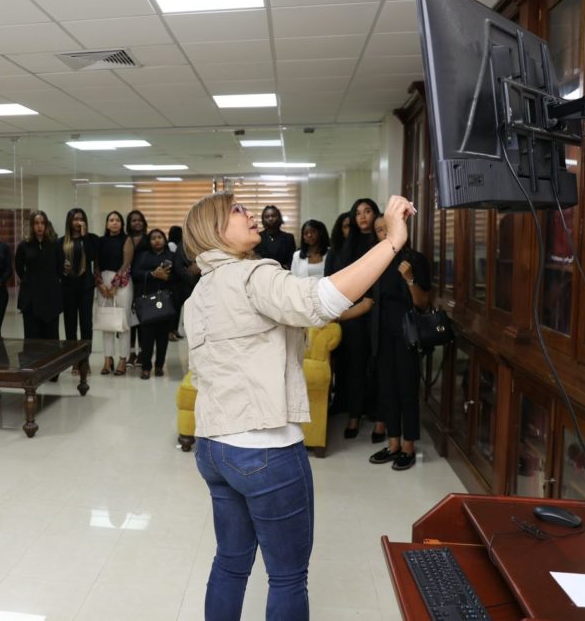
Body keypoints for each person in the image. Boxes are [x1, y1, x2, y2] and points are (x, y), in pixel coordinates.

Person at [183, 192, 413, 620]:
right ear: (214, 231)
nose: (251, 214)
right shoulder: (253, 275)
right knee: (288, 577)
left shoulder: (197, 296)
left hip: (214, 449)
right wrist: (393, 240)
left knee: (230, 563)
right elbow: (321, 299)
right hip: (264, 450)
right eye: (237, 211)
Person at [368, 216, 431, 471]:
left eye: (387, 229)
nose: (383, 234)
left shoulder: (415, 260)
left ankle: (408, 446)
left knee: (406, 390)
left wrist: (409, 278)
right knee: (387, 390)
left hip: (407, 334)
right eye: (379, 231)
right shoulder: (376, 261)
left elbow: (423, 303)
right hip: (381, 334)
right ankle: (393, 444)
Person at [332, 197, 384, 441]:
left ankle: (376, 414)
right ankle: (353, 415)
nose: (363, 217)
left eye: (368, 211)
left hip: (378, 311)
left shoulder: (382, 242)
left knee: (376, 366)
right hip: (353, 312)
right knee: (353, 366)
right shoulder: (346, 245)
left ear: (376, 214)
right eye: (359, 213)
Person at [131, 228, 176, 379]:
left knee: (163, 337)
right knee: (147, 337)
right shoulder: (143, 256)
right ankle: (145, 367)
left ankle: (159, 366)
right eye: (153, 238)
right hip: (147, 301)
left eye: (160, 237)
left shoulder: (171, 256)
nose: (157, 240)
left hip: (165, 301)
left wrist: (167, 278)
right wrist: (151, 274)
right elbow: (135, 273)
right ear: (149, 241)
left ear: (165, 239)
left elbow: (177, 277)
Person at [60, 207, 98, 375]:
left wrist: (85, 236)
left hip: (85, 287)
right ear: (69, 221)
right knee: (70, 325)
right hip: (67, 286)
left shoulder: (91, 239)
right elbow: (56, 264)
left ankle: (85, 360)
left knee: (86, 324)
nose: (78, 222)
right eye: (75, 219)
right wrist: (63, 268)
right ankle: (73, 360)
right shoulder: (61, 241)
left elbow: (91, 257)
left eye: (81, 219)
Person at [95, 211, 133, 376]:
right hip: (103, 281)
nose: (114, 223)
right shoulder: (100, 241)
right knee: (107, 322)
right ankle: (107, 359)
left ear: (122, 224)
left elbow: (127, 263)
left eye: (118, 220)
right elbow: (95, 264)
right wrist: (101, 285)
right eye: (111, 220)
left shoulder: (127, 239)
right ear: (107, 223)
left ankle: (123, 358)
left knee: (123, 322)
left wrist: (115, 285)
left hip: (122, 282)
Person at [15, 210, 63, 340]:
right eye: (36, 223)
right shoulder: (24, 245)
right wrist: (30, 279)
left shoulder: (55, 244)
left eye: (42, 223)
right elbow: (19, 267)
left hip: (51, 296)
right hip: (30, 297)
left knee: (51, 337)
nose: (39, 226)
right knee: (32, 338)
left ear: (47, 225)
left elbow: (60, 268)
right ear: (31, 225)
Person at [125, 210, 150, 367]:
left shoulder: (148, 239)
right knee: (129, 319)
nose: (137, 223)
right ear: (129, 223)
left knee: (141, 319)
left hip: (143, 283)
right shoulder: (125, 239)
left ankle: (142, 352)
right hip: (126, 281)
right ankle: (130, 353)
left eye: (140, 220)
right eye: (133, 220)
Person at [253, 205, 296, 269]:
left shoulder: (288, 238)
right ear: (263, 219)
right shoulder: (257, 237)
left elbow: (292, 262)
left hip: (282, 275)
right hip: (261, 274)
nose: (270, 218)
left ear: (279, 217)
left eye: (273, 216)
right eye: (267, 216)